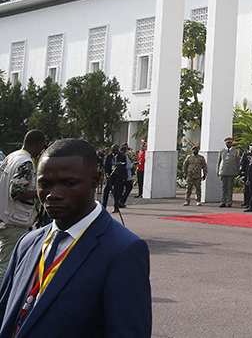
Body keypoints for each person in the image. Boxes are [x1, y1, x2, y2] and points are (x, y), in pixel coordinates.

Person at [0, 138, 152, 338]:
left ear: (96, 180)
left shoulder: (123, 250)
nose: (52, 195)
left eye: (68, 183)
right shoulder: (27, 243)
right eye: (44, 184)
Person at [0, 130, 46, 277]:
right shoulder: (26, 162)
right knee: (5, 268)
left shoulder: (11, 156)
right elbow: (17, 192)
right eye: (42, 146)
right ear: (38, 144)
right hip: (14, 220)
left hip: (5, 217)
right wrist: (41, 192)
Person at [101, 144, 127, 213]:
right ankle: (103, 207)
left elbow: (124, 166)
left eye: (116, 150)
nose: (114, 152)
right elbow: (105, 166)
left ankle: (116, 207)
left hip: (118, 176)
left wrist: (118, 167)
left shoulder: (122, 156)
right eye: (113, 151)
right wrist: (106, 173)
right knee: (106, 190)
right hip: (110, 175)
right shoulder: (109, 156)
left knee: (117, 192)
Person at [216, 137, 240, 208]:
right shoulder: (222, 151)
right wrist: (218, 170)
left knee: (230, 187)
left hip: (231, 171)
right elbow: (219, 161)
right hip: (223, 170)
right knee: (223, 187)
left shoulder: (235, 151)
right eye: (227, 143)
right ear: (225, 143)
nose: (229, 144)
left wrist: (237, 171)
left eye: (230, 143)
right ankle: (223, 201)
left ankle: (229, 201)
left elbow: (237, 162)